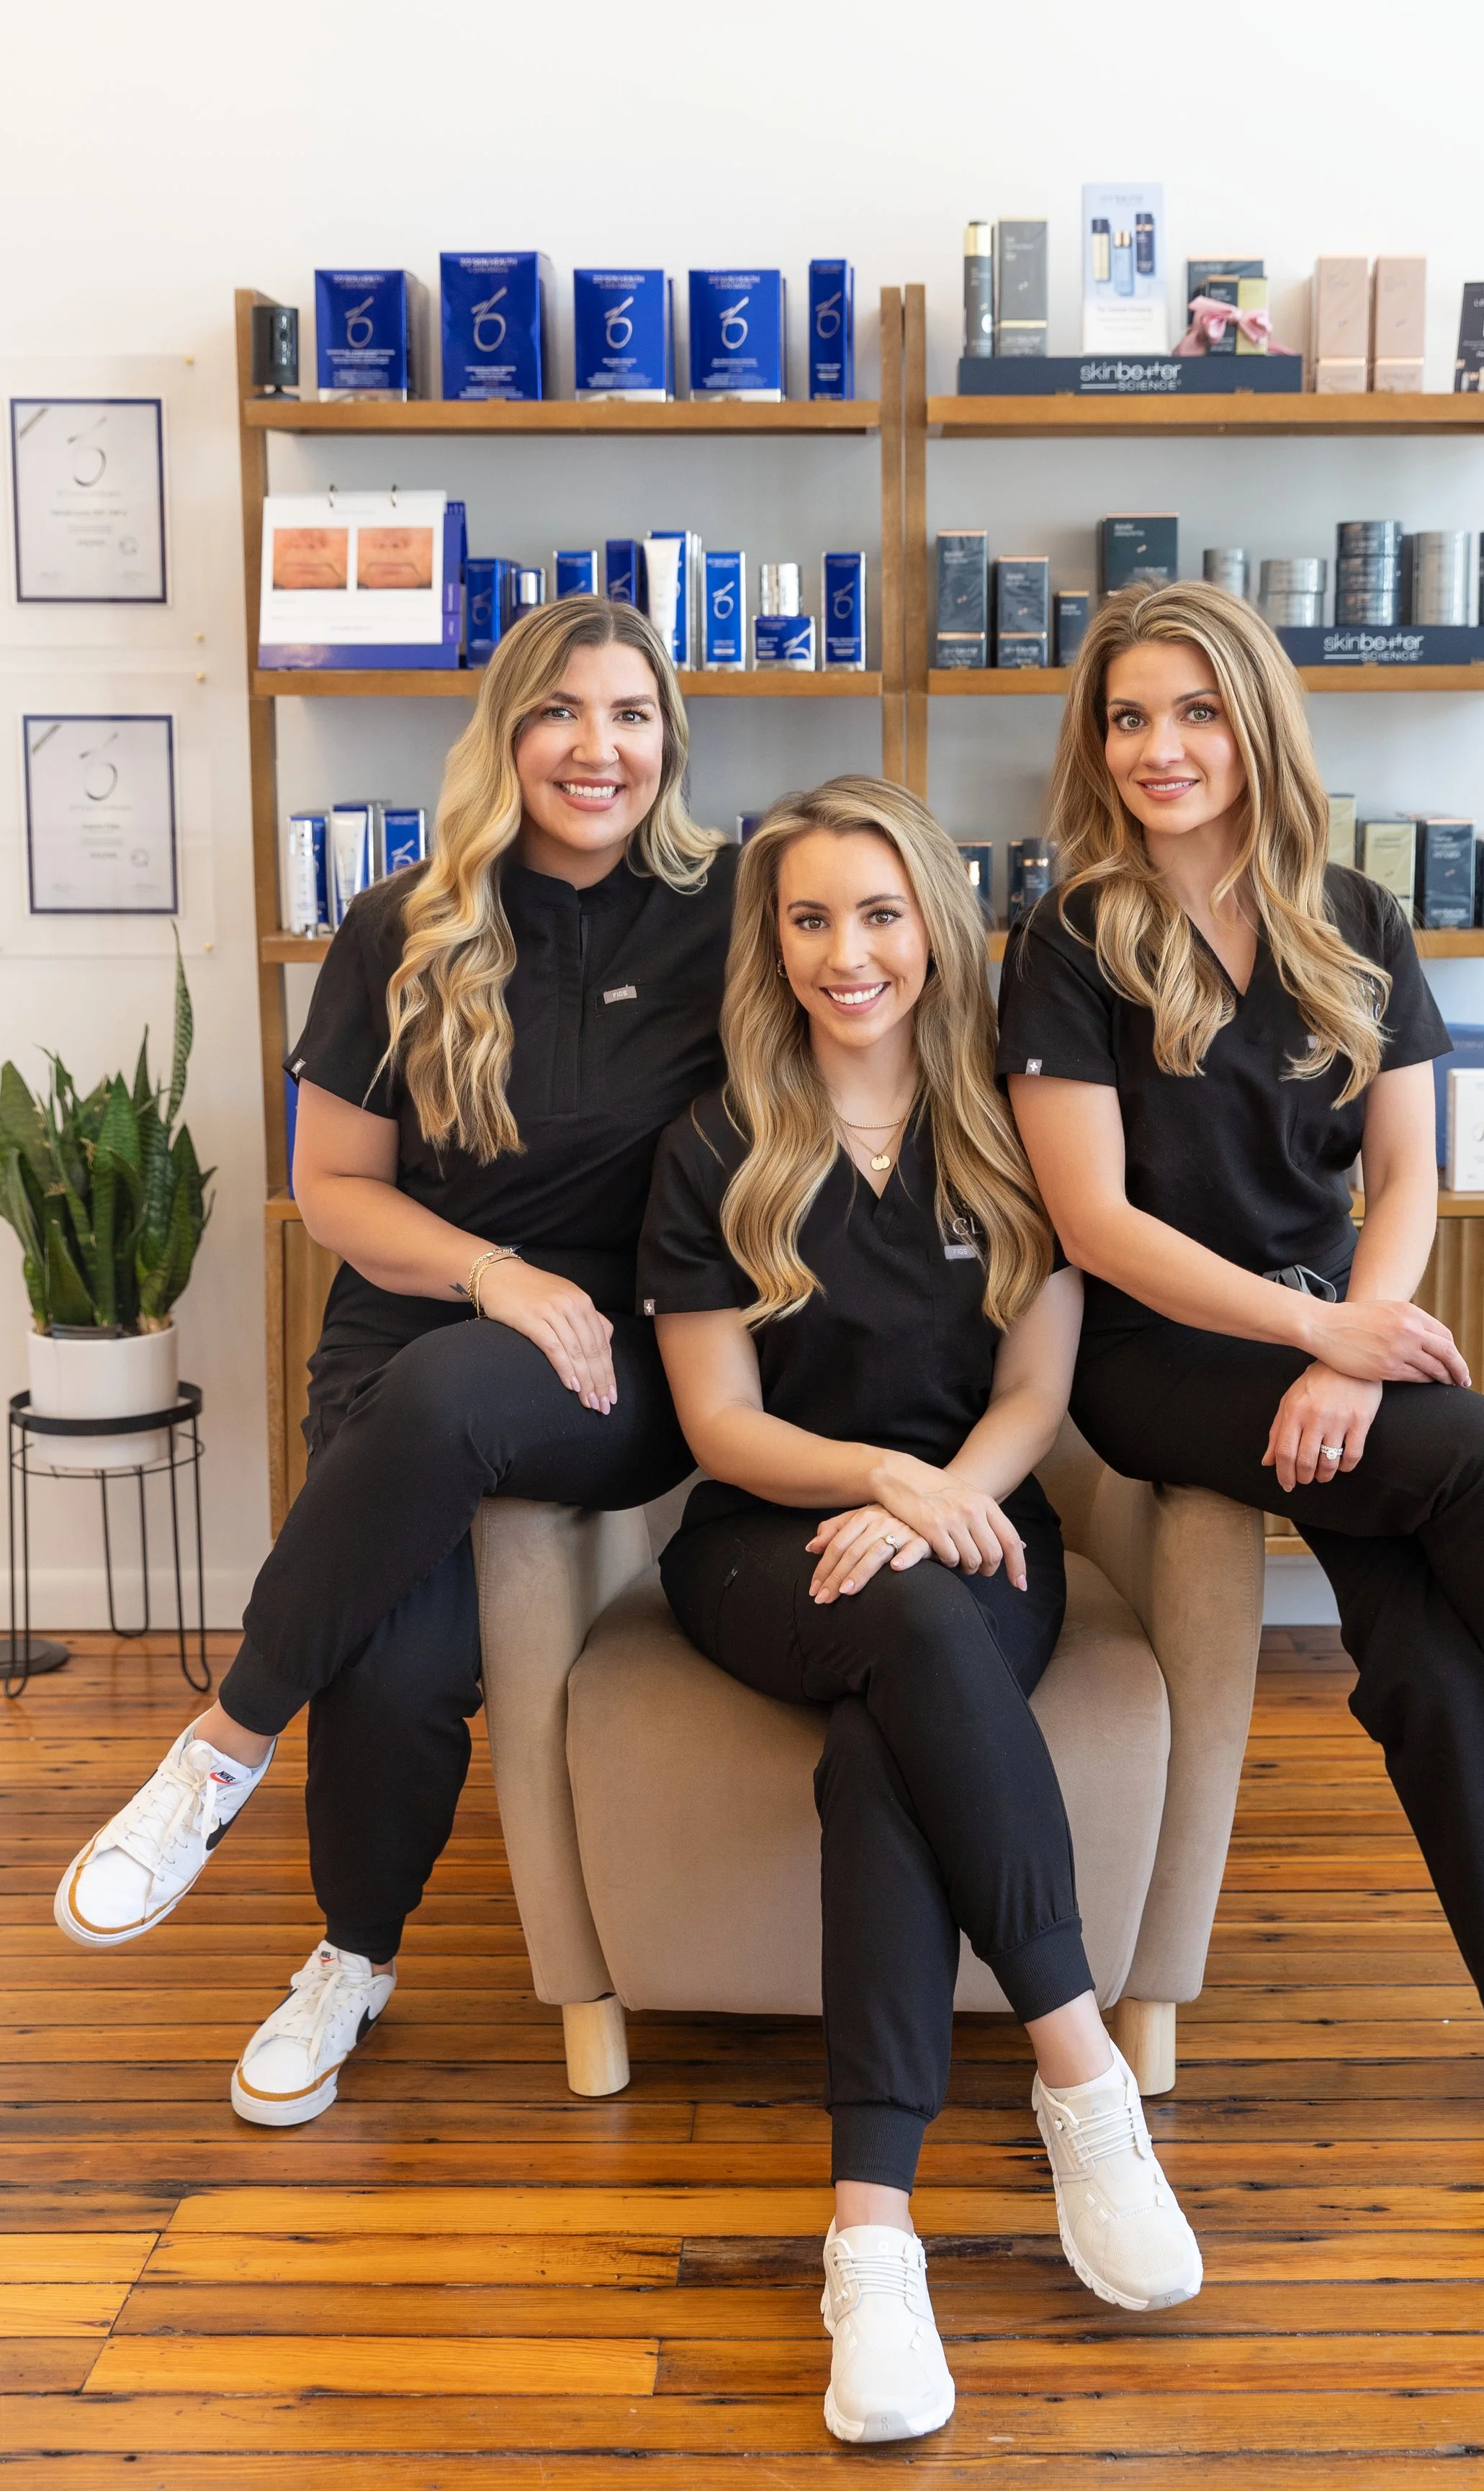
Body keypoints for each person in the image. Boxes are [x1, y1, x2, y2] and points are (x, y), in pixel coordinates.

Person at [999, 580, 1484, 2144]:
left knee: (1428, 1664)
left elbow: (1406, 1176)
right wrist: (1321, 1335)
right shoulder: (1068, 939)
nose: (1158, 747)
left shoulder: (1354, 915)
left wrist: (1355, 1352)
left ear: (1253, 724)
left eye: (1191, 711)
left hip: (1328, 1332)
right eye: (1126, 717)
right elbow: (1093, 1223)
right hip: (1158, 1354)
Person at [56, 596, 734, 2126]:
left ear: (667, 743)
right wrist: (491, 1274)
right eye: (561, 712)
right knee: (403, 1655)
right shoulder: (402, 924)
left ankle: (218, 1749)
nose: (597, 747)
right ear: (507, 732)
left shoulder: (732, 908)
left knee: (450, 1399)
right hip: (418, 1319)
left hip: (623, 1353)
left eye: (631, 714)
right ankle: (351, 1960)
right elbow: (343, 1194)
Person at [640, 775, 1201, 2446]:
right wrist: (885, 1487)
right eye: (808, 917)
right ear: (773, 938)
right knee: (909, 1624)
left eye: (876, 914)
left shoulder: (1010, 1130)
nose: (844, 952)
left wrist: (946, 1498)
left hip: (973, 1541)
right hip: (762, 1546)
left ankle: (869, 2240)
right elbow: (719, 1429)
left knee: (895, 1727)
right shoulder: (717, 1143)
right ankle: (1081, 2081)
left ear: (933, 929)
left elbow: (1036, 1387)